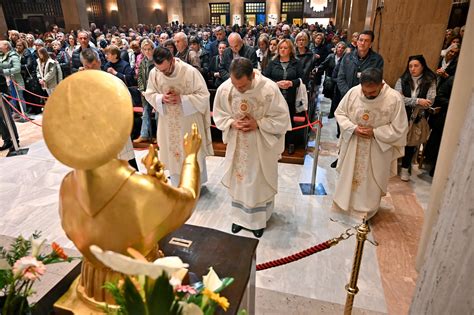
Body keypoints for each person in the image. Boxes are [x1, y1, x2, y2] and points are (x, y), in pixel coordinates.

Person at [213, 58, 291, 238]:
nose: (238, 89)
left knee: (257, 181)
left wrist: (259, 124)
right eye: (235, 84)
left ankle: (258, 220)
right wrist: (232, 123)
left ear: (252, 75)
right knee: (239, 179)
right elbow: (219, 113)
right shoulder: (226, 88)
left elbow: (282, 118)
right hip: (238, 142)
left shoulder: (269, 89)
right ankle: (239, 218)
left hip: (260, 144)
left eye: (242, 86)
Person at [333, 68, 408, 221]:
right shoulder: (353, 93)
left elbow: (400, 128)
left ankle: (367, 210)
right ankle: (343, 205)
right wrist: (353, 128)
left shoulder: (394, 98)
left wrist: (376, 132)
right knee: (349, 175)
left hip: (378, 147)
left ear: (381, 85)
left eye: (372, 92)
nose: (367, 95)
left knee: (371, 179)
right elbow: (340, 113)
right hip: (354, 143)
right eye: (365, 91)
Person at [144, 46, 214, 186]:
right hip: (168, 121)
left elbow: (204, 96)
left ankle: (194, 184)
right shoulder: (155, 73)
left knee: (189, 151)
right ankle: (177, 183)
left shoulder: (189, 72)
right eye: (160, 70)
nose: (163, 73)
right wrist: (161, 98)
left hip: (188, 120)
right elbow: (150, 93)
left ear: (172, 60)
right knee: (172, 152)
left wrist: (182, 99)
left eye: (165, 69)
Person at [79, 48, 138, 171]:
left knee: (127, 167)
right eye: (87, 66)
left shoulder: (113, 80)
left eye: (93, 65)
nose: (91, 69)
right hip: (96, 131)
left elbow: (126, 102)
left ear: (99, 62)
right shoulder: (80, 84)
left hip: (116, 127)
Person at [394, 55, 436, 181]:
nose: (412, 68)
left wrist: (413, 102)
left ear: (423, 66)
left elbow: (430, 101)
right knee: (396, 140)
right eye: (410, 66)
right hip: (401, 114)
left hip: (418, 117)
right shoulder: (403, 79)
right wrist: (417, 100)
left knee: (411, 143)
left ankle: (405, 168)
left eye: (416, 66)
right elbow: (398, 98)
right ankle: (392, 166)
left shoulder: (430, 80)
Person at [264, 39, 303, 155]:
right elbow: (265, 78)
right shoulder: (273, 62)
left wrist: (291, 83)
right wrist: (276, 83)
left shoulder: (296, 63)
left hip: (290, 96)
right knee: (275, 119)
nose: (282, 50)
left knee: (289, 119)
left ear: (290, 50)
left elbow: (302, 79)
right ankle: (275, 142)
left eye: (285, 48)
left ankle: (290, 143)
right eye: (281, 47)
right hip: (275, 97)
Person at [134, 39, 157, 144]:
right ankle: (144, 135)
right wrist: (142, 89)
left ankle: (159, 135)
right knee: (145, 113)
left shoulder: (157, 61)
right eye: (145, 49)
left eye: (149, 49)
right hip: (145, 92)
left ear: (153, 49)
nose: (147, 51)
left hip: (156, 92)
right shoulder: (143, 61)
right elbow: (139, 77)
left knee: (158, 114)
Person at [0, 40, 28, 121]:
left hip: (16, 80)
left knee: (20, 97)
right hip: (6, 81)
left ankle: (24, 114)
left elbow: (17, 69)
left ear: (6, 46)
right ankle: (15, 114)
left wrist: (3, 72)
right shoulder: (1, 55)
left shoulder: (13, 55)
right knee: (11, 98)